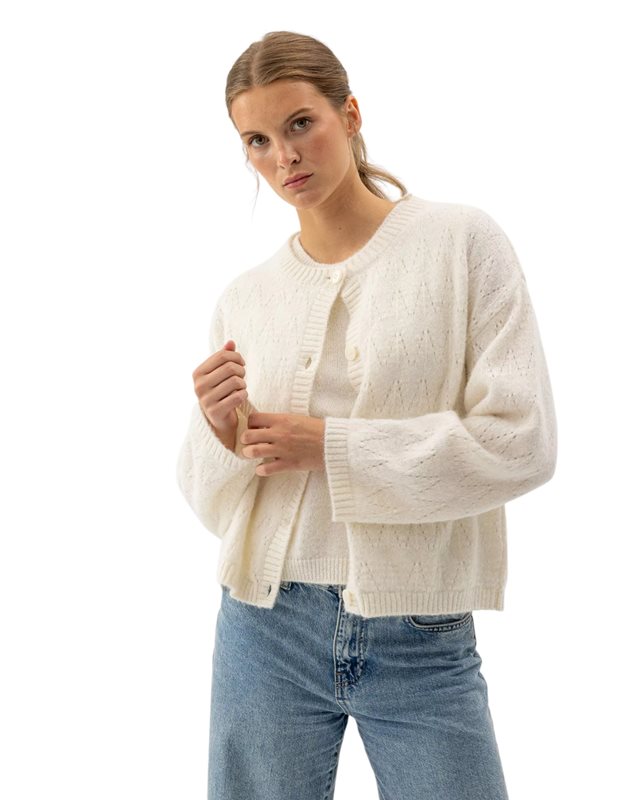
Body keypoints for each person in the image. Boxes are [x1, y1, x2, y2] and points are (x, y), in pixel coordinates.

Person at [175, 30, 557, 800]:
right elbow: (212, 505)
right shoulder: (246, 297)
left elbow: (522, 442)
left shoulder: (460, 243)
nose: (284, 156)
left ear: (349, 114)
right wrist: (222, 441)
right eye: (257, 140)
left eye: (300, 123)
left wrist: (331, 447)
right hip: (264, 625)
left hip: (420, 630)